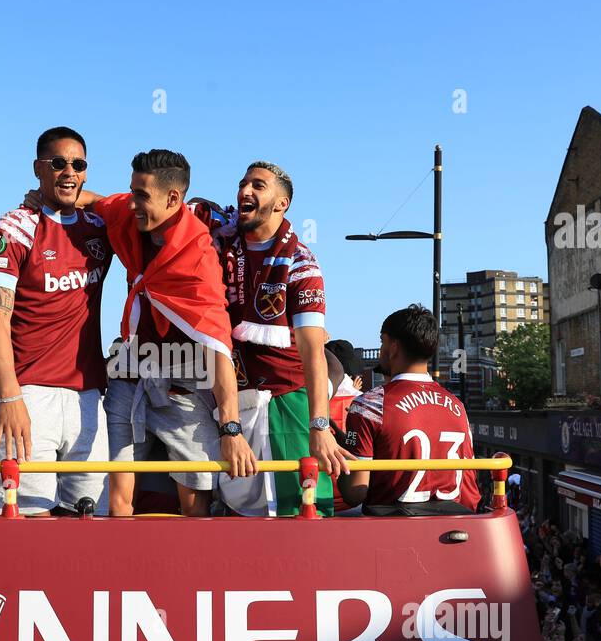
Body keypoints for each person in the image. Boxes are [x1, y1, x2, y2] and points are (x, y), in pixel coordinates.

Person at [86, 149, 256, 516]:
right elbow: (99, 201)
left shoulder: (198, 257)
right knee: (115, 500)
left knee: (194, 505)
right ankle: (118, 572)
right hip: (130, 374)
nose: (132, 204)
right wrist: (48, 196)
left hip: (185, 383)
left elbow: (217, 346)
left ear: (173, 199)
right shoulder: (131, 212)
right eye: (132, 192)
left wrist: (231, 429)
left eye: (142, 196)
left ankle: (192, 572)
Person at [188, 162, 348, 516]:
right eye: (243, 183)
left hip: (289, 398)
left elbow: (313, 353)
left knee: (299, 509)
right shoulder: (222, 235)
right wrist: (83, 201)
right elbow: (156, 198)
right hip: (235, 395)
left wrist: (319, 425)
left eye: (258, 186)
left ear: (281, 203)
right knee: (238, 508)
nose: (245, 191)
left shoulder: (302, 262)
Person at [0, 127, 114, 515]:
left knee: (91, 522)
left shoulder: (98, 228)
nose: (69, 171)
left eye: (78, 164)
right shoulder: (12, 228)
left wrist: (82, 196)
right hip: (28, 397)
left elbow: (131, 208)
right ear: (38, 169)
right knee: (21, 525)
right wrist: (9, 395)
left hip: (88, 399)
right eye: (58, 164)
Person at [338, 304, 481, 515]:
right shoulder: (457, 407)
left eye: (382, 342)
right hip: (452, 524)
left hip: (392, 529)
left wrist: (342, 451)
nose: (380, 351)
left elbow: (354, 492)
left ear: (393, 346)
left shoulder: (368, 405)